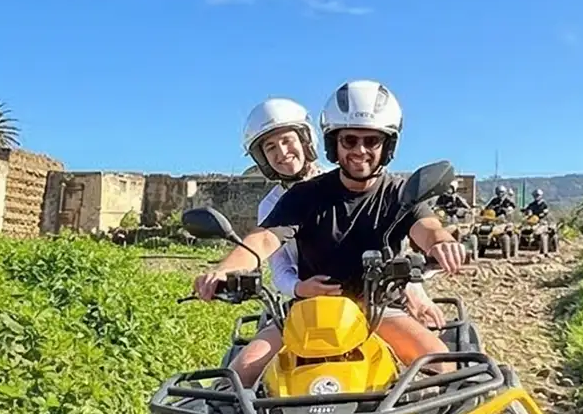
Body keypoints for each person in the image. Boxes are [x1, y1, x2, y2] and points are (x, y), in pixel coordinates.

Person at [195, 80, 466, 387]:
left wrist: (442, 243)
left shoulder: (399, 193)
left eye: (372, 141)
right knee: (236, 377)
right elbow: (264, 238)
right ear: (333, 143)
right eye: (349, 140)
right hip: (307, 312)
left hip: (376, 310)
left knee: (442, 365)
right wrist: (225, 269)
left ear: (387, 146)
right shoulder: (304, 195)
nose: (360, 150)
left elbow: (427, 227)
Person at [225, 97, 320, 383]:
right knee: (238, 375)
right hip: (302, 305)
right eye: (270, 147)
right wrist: (300, 287)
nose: (282, 152)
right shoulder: (271, 204)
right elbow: (276, 264)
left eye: (288, 140)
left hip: (363, 301)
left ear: (306, 140)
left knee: (428, 367)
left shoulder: (340, 183)